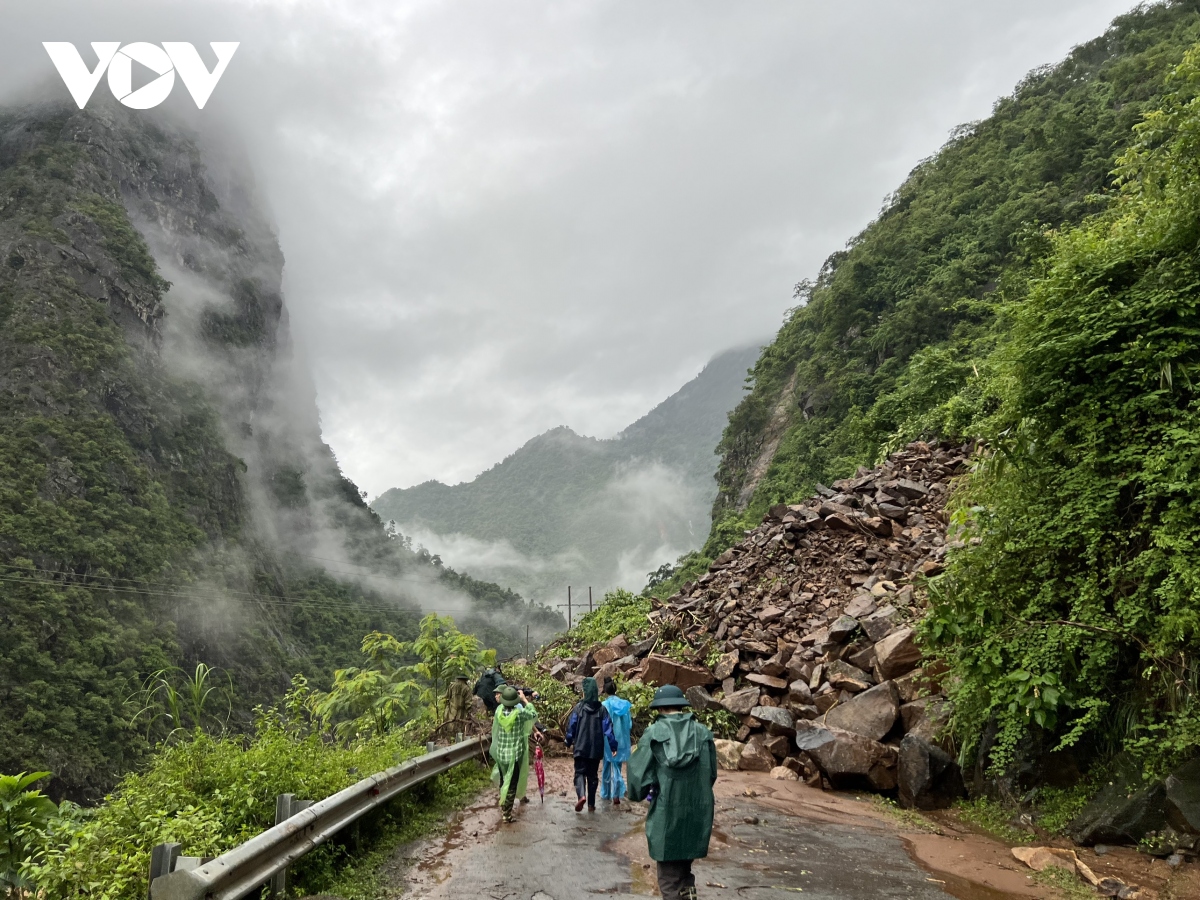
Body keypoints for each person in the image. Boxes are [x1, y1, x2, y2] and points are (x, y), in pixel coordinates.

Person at [627, 685, 717, 900]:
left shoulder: (654, 734)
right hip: (697, 814)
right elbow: (711, 775)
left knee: (668, 879)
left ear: (659, 709)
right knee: (684, 872)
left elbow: (637, 778)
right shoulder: (703, 733)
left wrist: (642, 792)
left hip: (666, 815)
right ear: (680, 706)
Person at [564, 676, 618, 812]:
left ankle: (581, 796)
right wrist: (613, 746)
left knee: (580, 773)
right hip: (596, 749)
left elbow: (572, 726)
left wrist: (568, 741)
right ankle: (591, 805)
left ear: (585, 692)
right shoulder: (602, 710)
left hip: (580, 747)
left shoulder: (579, 708)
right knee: (593, 776)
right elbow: (608, 729)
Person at [489, 685, 537, 823]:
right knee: (512, 784)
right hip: (513, 755)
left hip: (501, 755)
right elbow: (533, 715)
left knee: (504, 781)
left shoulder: (498, 712)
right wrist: (524, 700)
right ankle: (507, 814)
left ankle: (504, 804)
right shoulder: (519, 714)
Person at [600, 677, 632, 805]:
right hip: (622, 740)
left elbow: (602, 724)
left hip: (607, 740)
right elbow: (629, 724)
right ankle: (617, 793)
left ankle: (606, 793)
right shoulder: (625, 705)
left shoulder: (604, 705)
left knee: (606, 766)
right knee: (617, 766)